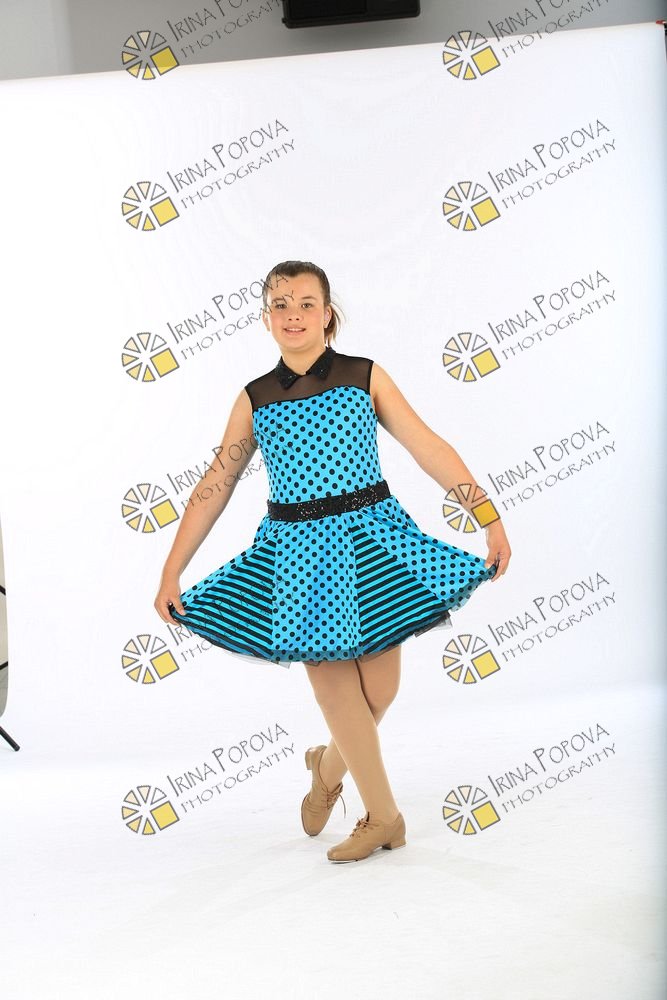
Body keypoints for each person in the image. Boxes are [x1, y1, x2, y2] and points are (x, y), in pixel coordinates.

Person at [155, 260, 511, 864]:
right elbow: (217, 483)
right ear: (266, 318)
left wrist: (488, 515)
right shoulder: (255, 398)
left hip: (373, 541)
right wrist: (172, 570)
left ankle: (325, 770)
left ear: (327, 314)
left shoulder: (363, 376)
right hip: (299, 557)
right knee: (338, 695)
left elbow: (427, 445)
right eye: (280, 304)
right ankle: (384, 818)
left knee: (381, 690)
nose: (292, 314)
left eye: (305, 303)